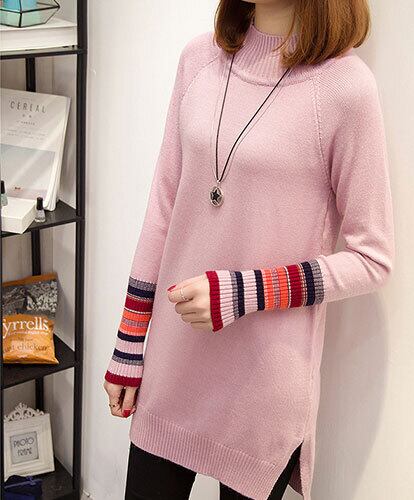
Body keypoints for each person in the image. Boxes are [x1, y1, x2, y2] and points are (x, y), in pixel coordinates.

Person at [103, 0, 395, 498]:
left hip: (263, 386)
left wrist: (242, 292)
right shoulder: (198, 60)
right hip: (174, 365)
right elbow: (162, 210)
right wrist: (130, 344)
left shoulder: (345, 88)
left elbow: (373, 258)